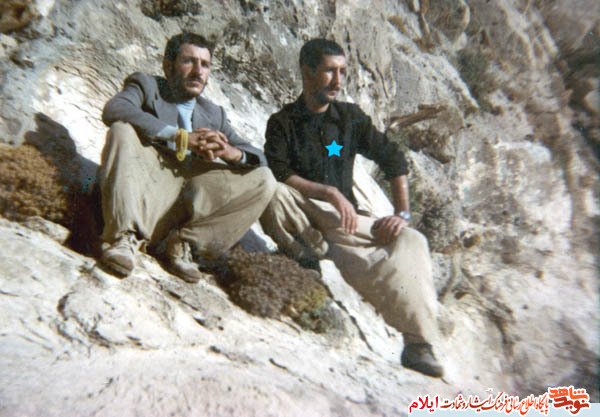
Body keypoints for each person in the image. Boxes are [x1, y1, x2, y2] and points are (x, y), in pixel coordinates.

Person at [260, 39, 445, 377]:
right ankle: (303, 255)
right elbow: (280, 172)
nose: (338, 80)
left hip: (344, 222)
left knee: (411, 241)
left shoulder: (350, 118)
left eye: (342, 72)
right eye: (329, 71)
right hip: (302, 210)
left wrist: (402, 215)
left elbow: (393, 158)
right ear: (307, 71)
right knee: (271, 192)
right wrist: (328, 191)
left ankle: (417, 343)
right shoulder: (283, 122)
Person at [99, 32, 276, 283]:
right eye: (188, 61)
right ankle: (122, 238)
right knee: (122, 130)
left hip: (184, 204)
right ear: (168, 66)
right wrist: (180, 137)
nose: (198, 72)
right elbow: (115, 108)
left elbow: (260, 157)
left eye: (204, 64)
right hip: (146, 193)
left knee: (264, 179)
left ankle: (184, 245)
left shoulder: (213, 113)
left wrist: (229, 152)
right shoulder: (147, 86)